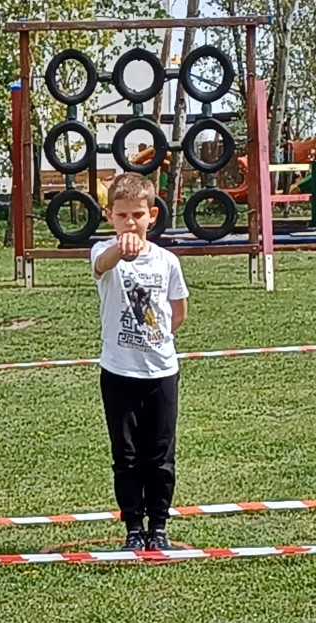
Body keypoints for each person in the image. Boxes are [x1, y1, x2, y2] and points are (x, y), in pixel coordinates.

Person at [90, 173, 189, 552]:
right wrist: (122, 248)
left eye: (137, 214)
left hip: (161, 371)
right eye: (121, 215)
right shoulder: (103, 253)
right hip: (119, 372)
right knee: (126, 456)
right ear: (109, 217)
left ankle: (159, 524)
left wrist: (156, 338)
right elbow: (103, 263)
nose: (130, 222)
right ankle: (133, 525)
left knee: (160, 455)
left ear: (152, 214)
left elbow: (177, 312)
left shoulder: (167, 262)